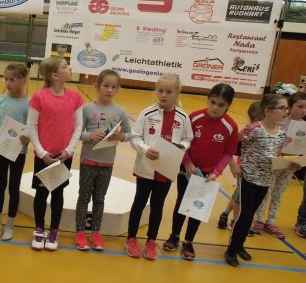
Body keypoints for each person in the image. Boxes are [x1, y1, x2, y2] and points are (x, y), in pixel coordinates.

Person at [162, 83, 238, 260]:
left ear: (228, 105)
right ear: (208, 99)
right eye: (213, 102)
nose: (215, 107)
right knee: (182, 203)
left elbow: (228, 153)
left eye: (221, 105)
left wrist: (216, 172)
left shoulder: (231, 126)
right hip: (187, 170)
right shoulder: (194, 117)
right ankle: (174, 236)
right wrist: (187, 162)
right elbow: (182, 142)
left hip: (208, 176)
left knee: (196, 208)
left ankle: (188, 241)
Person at [224, 93, 299, 266]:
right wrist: (233, 166)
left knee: (251, 215)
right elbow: (230, 145)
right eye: (282, 108)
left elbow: (276, 158)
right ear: (268, 111)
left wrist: (289, 166)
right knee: (245, 214)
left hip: (266, 180)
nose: (286, 111)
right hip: (248, 178)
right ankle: (231, 249)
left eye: (286, 108)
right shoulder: (253, 129)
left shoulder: (282, 134)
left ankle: (240, 245)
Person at [125, 73, 193, 260]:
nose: (163, 95)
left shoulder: (182, 117)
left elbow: (188, 138)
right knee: (139, 202)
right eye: (160, 91)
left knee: (158, 205)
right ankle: (131, 238)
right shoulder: (147, 113)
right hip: (145, 168)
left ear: (177, 92)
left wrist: (182, 147)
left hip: (166, 170)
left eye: (168, 92)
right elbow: (134, 137)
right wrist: (145, 149)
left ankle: (151, 240)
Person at [28, 56, 84, 251]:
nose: (70, 68)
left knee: (58, 194)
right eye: (65, 66)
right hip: (44, 157)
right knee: (41, 193)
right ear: (55, 75)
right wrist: (42, 153)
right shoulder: (39, 97)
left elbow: (78, 126)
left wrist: (69, 150)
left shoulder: (75, 97)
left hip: (63, 157)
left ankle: (53, 231)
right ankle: (39, 229)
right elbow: (31, 126)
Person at [74, 70, 131, 251]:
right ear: (97, 86)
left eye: (114, 87)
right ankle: (80, 232)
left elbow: (130, 134)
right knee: (84, 197)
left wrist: (120, 137)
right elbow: (77, 133)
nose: (109, 90)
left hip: (107, 163)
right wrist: (90, 136)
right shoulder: (87, 109)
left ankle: (96, 231)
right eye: (106, 86)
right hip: (88, 161)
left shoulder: (120, 111)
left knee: (100, 198)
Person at [0, 63, 30, 241]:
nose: (8, 83)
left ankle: (10, 224)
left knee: (14, 187)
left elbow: (32, 128)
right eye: (6, 79)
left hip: (19, 152)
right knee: (0, 185)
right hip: (1, 150)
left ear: (23, 81)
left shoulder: (30, 104)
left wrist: (28, 137)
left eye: (12, 79)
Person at [251, 91, 306, 238]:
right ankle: (258, 220)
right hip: (274, 164)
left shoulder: (304, 126)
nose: (303, 111)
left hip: (291, 165)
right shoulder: (278, 122)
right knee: (266, 192)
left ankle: (271, 221)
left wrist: (299, 162)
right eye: (300, 106)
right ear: (290, 106)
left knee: (278, 194)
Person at [217, 101, 261, 230]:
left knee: (238, 193)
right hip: (244, 168)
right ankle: (235, 221)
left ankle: (225, 213)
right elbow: (229, 148)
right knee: (240, 196)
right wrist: (233, 165)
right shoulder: (247, 131)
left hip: (256, 169)